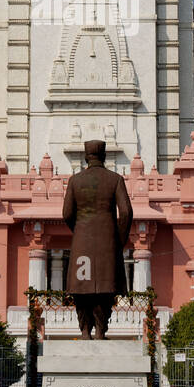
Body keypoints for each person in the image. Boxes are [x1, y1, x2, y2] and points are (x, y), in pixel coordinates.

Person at [62, 139, 132, 339]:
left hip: (82, 240)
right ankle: (100, 330)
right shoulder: (115, 179)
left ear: (86, 157)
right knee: (105, 286)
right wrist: (119, 239)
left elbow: (67, 214)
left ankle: (84, 330)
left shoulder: (75, 181)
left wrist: (79, 229)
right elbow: (126, 212)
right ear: (104, 156)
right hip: (107, 240)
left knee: (82, 288)